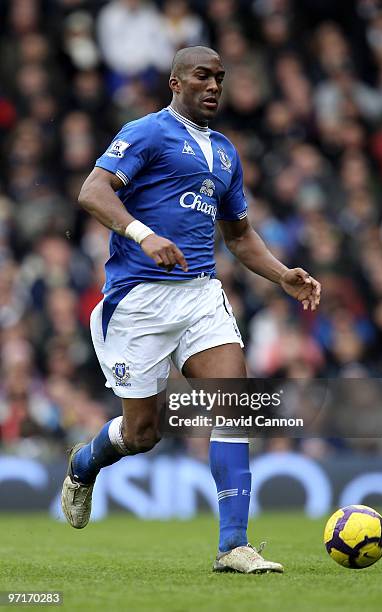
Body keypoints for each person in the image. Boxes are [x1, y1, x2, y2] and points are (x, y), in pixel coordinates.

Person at [61, 46, 321, 574]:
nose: (214, 86)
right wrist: (143, 232)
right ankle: (85, 463)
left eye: (221, 78)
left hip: (201, 294)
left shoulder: (225, 152)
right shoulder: (148, 132)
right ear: (176, 83)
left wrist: (282, 274)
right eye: (203, 76)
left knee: (234, 403)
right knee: (143, 434)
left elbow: (240, 236)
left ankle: (233, 546)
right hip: (139, 299)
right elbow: (93, 191)